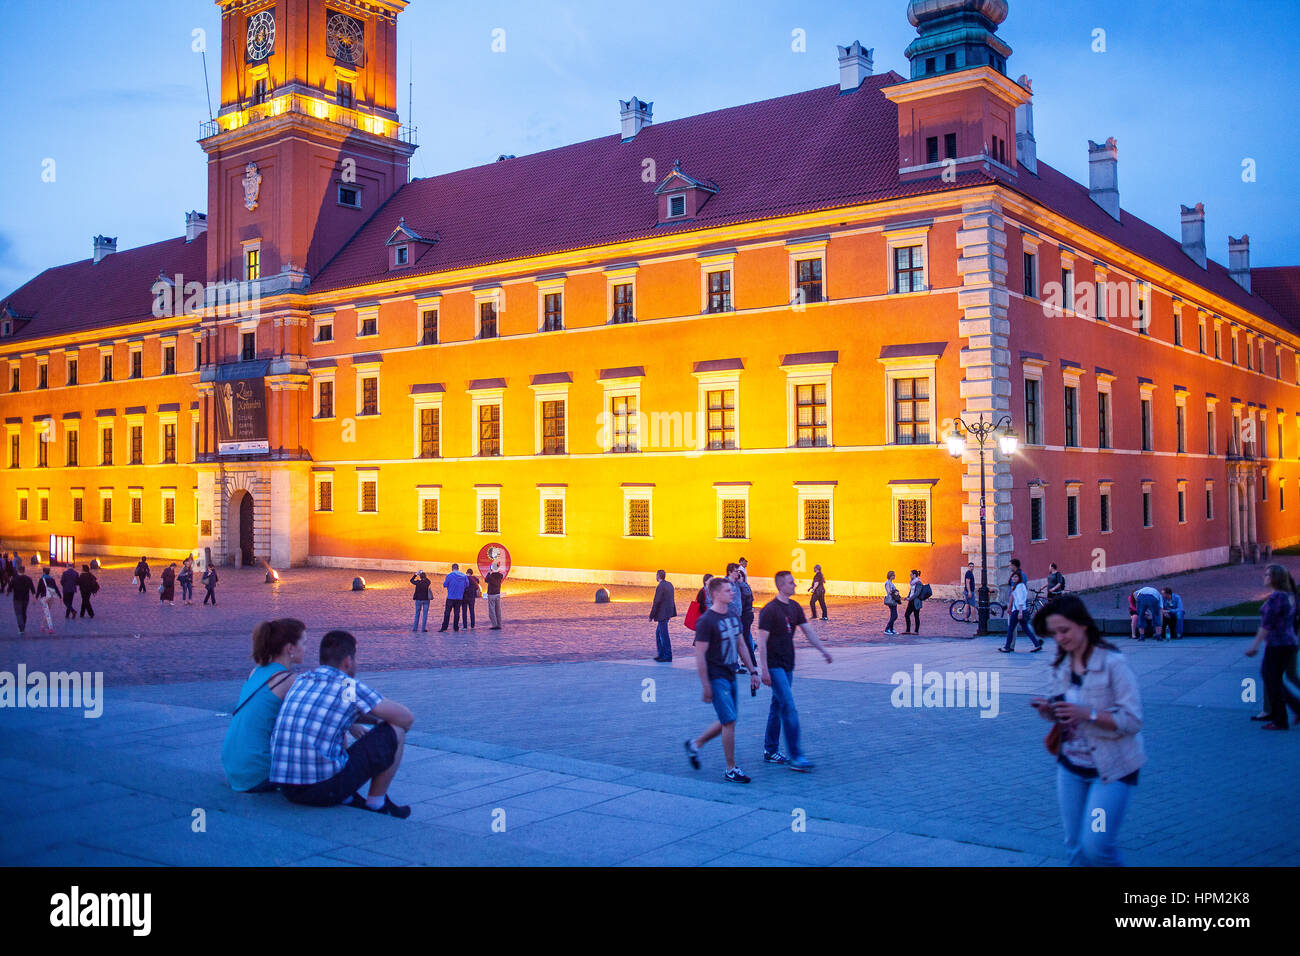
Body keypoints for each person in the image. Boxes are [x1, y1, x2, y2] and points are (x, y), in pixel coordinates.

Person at [1030, 595, 1146, 866]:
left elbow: (1133, 720)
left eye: (1064, 630)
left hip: (1112, 769)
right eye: (1054, 632)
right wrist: (1049, 710)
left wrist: (1088, 713)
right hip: (1071, 766)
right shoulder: (1061, 666)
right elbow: (1065, 711)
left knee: (1097, 846)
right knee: (1074, 847)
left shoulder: (1113, 663)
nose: (1059, 638)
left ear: (1082, 625)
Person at [270, 630, 415, 817]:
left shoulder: (303, 680)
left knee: (336, 730)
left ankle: (347, 797)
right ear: (348, 661)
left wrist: (368, 718)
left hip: (287, 788)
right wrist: (383, 722)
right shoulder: (348, 685)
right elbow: (406, 718)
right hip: (322, 790)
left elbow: (339, 710)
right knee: (396, 730)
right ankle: (377, 803)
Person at [684, 576, 760, 783]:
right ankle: (731, 768)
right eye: (728, 590)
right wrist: (706, 684)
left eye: (732, 590)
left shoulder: (733, 615)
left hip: (731, 673)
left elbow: (741, 644)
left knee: (729, 719)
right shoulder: (706, 621)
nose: (732, 593)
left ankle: (695, 745)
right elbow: (700, 654)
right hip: (716, 677)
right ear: (715, 594)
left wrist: (753, 671)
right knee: (729, 721)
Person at [757, 570, 833, 771]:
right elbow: (761, 642)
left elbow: (808, 631)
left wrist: (823, 651)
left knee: (778, 706)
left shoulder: (795, 607)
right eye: (791, 583)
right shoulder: (769, 610)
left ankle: (770, 750)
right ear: (781, 585)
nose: (795, 586)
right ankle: (796, 756)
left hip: (788, 665)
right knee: (789, 706)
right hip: (774, 667)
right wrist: (763, 669)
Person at [222, 619, 305, 792]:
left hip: (233, 766)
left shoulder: (256, 671)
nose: (306, 648)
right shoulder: (287, 680)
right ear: (289, 648)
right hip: (257, 773)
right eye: (303, 643)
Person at [1244, 564, 1300, 731]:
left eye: (1268, 574)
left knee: (1272, 680)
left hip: (1277, 644)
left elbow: (1266, 625)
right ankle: (1288, 712)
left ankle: (1281, 720)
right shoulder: (1289, 596)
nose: (1265, 577)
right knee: (1273, 680)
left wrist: (1254, 646)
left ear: (1275, 578)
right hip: (1287, 643)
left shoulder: (1277, 598)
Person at [1001, 574, 1044, 653]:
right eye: (1013, 577)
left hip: (1018, 611)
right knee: (1026, 629)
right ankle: (1037, 644)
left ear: (1019, 578)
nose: (1014, 578)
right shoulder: (1017, 586)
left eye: (1016, 577)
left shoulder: (1020, 586)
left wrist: (1020, 612)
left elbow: (1020, 600)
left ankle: (1007, 647)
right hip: (1019, 610)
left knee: (1011, 629)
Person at [649, 569, 677, 662]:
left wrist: (651, 615)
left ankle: (667, 655)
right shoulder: (670, 584)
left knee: (664, 634)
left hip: (662, 614)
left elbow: (656, 602)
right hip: (668, 613)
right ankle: (661, 654)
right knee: (658, 633)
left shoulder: (660, 586)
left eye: (656, 575)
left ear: (658, 576)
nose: (656, 577)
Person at [439, 563, 468, 632]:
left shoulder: (450, 575)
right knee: (457, 613)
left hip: (450, 597)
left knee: (447, 613)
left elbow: (444, 585)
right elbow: (467, 584)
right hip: (459, 597)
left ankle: (444, 627)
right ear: (458, 568)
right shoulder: (464, 576)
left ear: (452, 568)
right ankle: (456, 627)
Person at [35, 567, 61, 634]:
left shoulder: (41, 579)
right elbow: (55, 588)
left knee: (47, 613)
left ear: (43, 572)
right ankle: (43, 626)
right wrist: (60, 596)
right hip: (51, 597)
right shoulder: (52, 579)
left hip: (44, 597)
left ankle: (50, 628)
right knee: (47, 612)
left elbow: (39, 590)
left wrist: (36, 597)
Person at [10, 564, 34, 636]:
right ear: (24, 570)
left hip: (17, 598)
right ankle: (23, 625)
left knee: (18, 613)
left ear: (18, 570)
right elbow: (32, 589)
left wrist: (7, 592)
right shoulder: (28, 579)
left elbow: (10, 588)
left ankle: (21, 627)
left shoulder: (14, 579)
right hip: (26, 598)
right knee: (24, 612)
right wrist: (34, 597)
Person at [485, 565, 505, 630]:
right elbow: (501, 575)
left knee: (492, 610)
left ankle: (494, 624)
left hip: (491, 594)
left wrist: (489, 572)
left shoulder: (490, 576)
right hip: (498, 594)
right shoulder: (500, 575)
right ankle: (499, 624)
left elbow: (486, 579)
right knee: (498, 610)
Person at [904, 569, 923, 634]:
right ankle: (908, 630)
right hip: (911, 601)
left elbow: (917, 593)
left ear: (914, 575)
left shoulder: (918, 583)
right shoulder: (912, 582)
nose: (910, 576)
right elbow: (911, 591)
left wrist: (910, 598)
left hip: (916, 602)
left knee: (916, 615)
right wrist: (907, 597)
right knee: (907, 614)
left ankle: (916, 631)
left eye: (911, 575)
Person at [883, 570, 901, 635]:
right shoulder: (887, 583)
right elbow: (889, 591)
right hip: (891, 600)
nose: (895, 576)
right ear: (890, 576)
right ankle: (887, 629)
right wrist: (895, 592)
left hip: (894, 600)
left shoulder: (891, 583)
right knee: (895, 616)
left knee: (893, 615)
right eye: (893, 575)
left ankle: (891, 629)